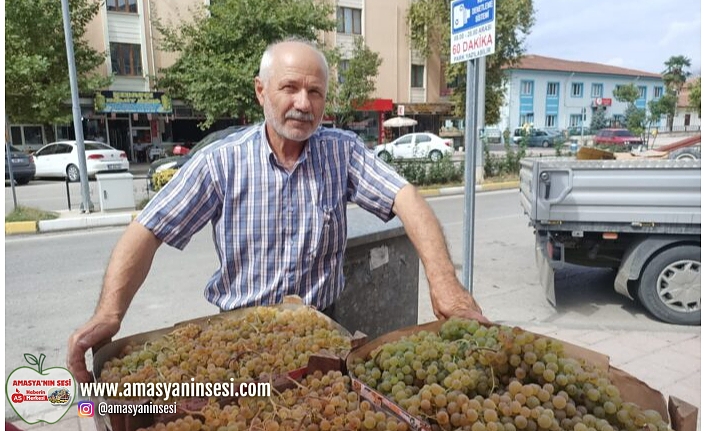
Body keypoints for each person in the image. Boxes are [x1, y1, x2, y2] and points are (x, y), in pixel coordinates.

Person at [67, 38, 486, 383]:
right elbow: (148, 229)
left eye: (315, 91)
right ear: (261, 91)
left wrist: (445, 283)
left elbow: (405, 198)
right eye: (290, 88)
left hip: (320, 340)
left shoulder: (342, 153)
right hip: (238, 344)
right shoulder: (221, 161)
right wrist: (109, 313)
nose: (303, 103)